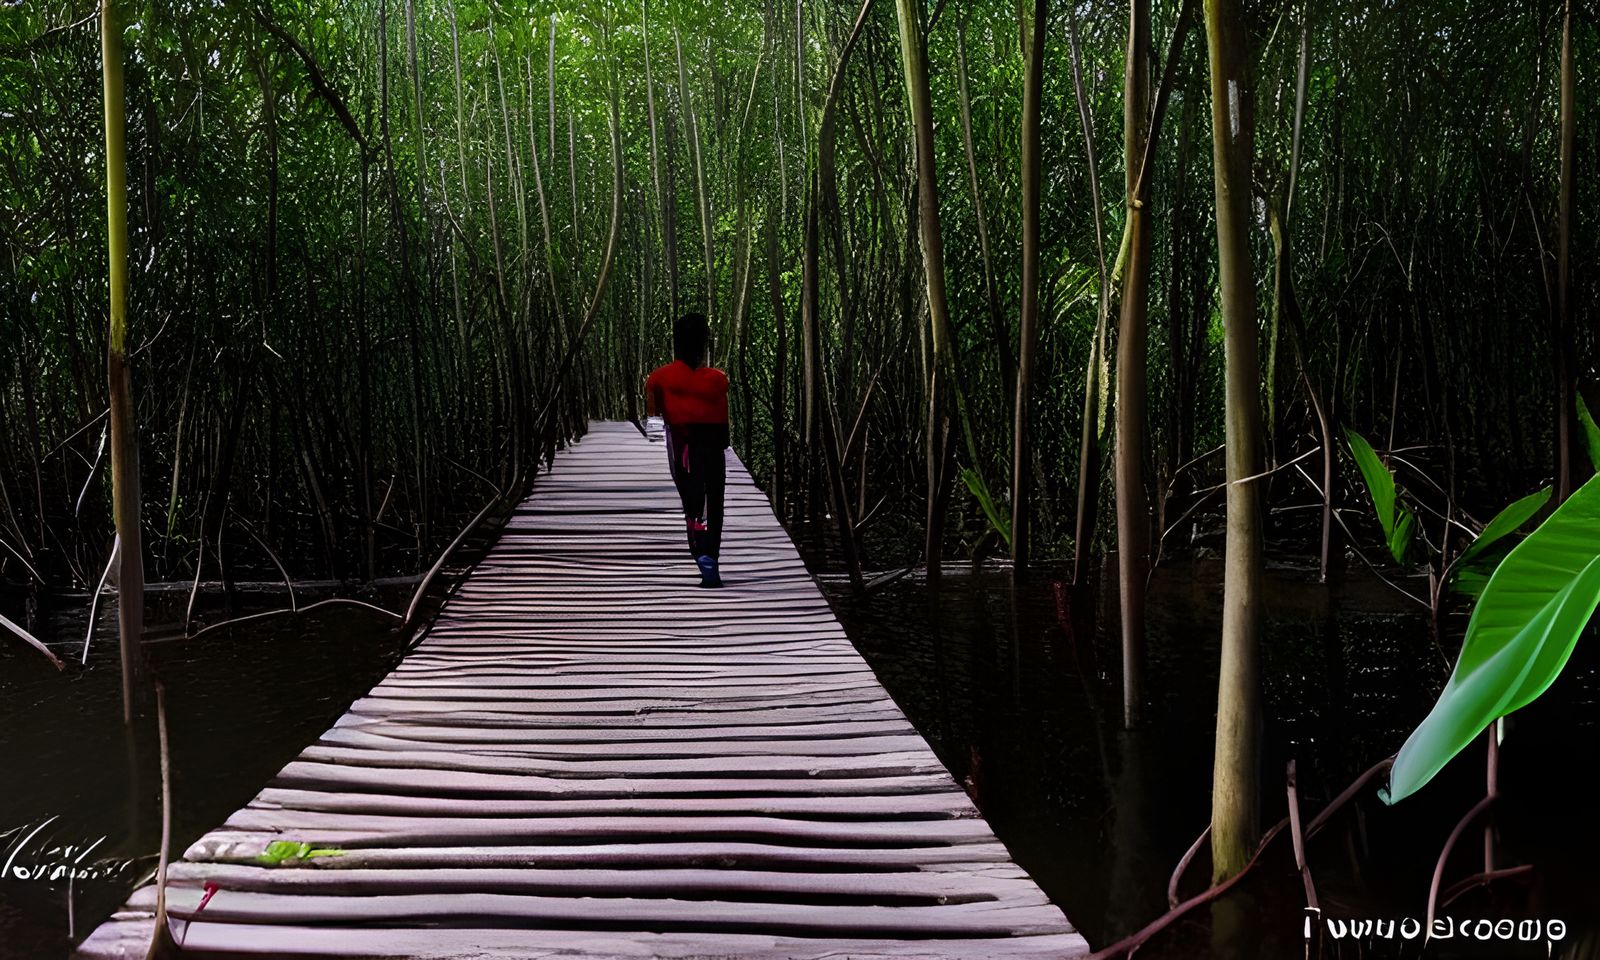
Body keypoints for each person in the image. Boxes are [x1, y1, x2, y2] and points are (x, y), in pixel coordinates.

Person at [645, 312, 730, 588]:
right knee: (714, 501)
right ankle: (710, 558)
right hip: (714, 446)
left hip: (683, 447)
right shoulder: (718, 380)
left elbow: (653, 421)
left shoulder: (659, 378)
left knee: (693, 503)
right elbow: (723, 423)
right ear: (703, 344)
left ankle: (702, 556)